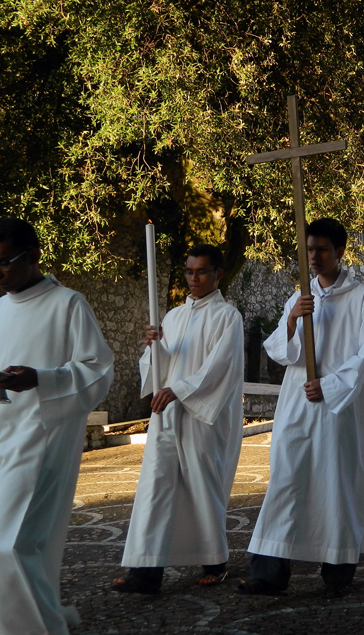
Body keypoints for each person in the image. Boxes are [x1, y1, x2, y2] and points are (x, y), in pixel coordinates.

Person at [0, 218, 114, 634]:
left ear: (33, 256)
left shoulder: (67, 304)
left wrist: (41, 379)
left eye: (4, 263)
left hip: (39, 440)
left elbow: (97, 370)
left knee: (7, 548)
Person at [241, 219, 364, 598]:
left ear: (340, 252)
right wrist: (291, 320)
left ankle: (337, 569)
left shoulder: (361, 298)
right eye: (309, 250)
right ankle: (269, 573)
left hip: (339, 411)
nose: (314, 257)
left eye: (321, 249)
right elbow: (281, 351)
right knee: (286, 481)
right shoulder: (300, 296)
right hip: (298, 406)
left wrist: (331, 385)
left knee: (335, 485)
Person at [113, 244, 245, 594]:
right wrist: (154, 346)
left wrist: (180, 389)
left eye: (201, 271)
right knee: (155, 487)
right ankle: (146, 569)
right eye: (189, 271)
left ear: (217, 274)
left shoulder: (228, 317)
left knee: (202, 486)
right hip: (167, 415)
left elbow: (221, 367)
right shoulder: (172, 317)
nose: (193, 278)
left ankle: (215, 560)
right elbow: (159, 368)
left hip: (203, 416)